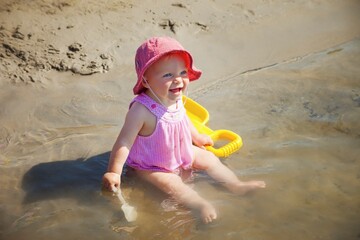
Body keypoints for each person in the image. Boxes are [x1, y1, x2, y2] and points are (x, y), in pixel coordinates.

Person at [102, 36, 266, 223]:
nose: (178, 80)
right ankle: (200, 204)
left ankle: (236, 185)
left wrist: (196, 137)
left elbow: (183, 118)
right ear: (146, 81)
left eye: (182, 72)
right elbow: (124, 141)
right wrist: (114, 171)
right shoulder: (141, 110)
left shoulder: (174, 96)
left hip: (180, 152)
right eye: (168, 75)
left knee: (209, 158)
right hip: (152, 165)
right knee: (173, 184)